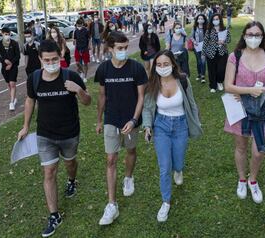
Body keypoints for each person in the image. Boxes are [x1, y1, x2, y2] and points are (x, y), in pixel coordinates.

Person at [17, 40, 91, 237]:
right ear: (40, 60)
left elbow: (87, 102)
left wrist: (79, 90)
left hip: (69, 133)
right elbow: (30, 100)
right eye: (47, 60)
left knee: (70, 164)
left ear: (61, 57)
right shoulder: (34, 78)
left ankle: (72, 180)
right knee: (49, 172)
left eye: (55, 59)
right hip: (45, 134)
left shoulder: (71, 75)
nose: (51, 63)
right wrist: (25, 126)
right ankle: (54, 215)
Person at [224, 21, 265, 204]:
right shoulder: (235, 56)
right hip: (239, 110)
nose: (253, 38)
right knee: (241, 147)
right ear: (244, 36)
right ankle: (242, 179)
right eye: (250, 34)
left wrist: (260, 92)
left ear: (263, 37)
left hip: (262, 110)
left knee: (258, 151)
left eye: (257, 35)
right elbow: (228, 85)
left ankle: (253, 180)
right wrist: (249, 91)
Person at [94, 31, 148, 225]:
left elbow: (141, 96)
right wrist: (99, 120)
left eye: (126, 48)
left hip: (131, 119)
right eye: (120, 48)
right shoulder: (103, 70)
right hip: (111, 119)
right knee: (110, 159)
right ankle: (111, 204)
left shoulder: (136, 68)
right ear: (110, 49)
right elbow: (101, 96)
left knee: (131, 150)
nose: (124, 51)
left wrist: (134, 120)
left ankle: (128, 176)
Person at [142, 50, 202, 222]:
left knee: (178, 160)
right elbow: (147, 108)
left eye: (166, 64)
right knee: (164, 166)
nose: (162, 68)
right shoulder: (152, 83)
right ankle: (166, 202)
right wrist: (147, 127)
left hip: (181, 125)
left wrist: (195, 121)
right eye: (159, 65)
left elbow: (191, 103)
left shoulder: (182, 80)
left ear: (173, 64)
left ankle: (179, 170)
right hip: (161, 125)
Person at [202, 13, 230, 93]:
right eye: (214, 19)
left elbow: (229, 40)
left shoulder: (225, 29)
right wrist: (203, 53)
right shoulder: (209, 30)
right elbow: (205, 42)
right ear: (212, 20)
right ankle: (213, 86)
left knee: (221, 69)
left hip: (222, 52)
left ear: (220, 20)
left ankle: (219, 82)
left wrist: (223, 42)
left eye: (217, 19)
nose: (215, 21)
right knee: (212, 70)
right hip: (211, 52)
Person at [0, 27, 20, 111]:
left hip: (13, 67)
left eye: (8, 34)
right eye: (5, 34)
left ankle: (12, 102)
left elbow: (18, 56)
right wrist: (4, 61)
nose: (7, 36)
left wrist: (11, 63)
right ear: (2, 34)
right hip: (4, 68)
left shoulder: (14, 43)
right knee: (9, 84)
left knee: (12, 84)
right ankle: (13, 98)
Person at [191, 14, 208, 83]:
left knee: (203, 61)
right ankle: (199, 74)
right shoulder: (195, 27)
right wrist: (194, 42)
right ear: (197, 20)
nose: (200, 20)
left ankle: (203, 76)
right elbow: (191, 37)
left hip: (204, 47)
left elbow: (208, 37)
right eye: (199, 18)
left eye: (202, 18)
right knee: (199, 62)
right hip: (197, 47)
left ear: (204, 20)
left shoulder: (206, 28)